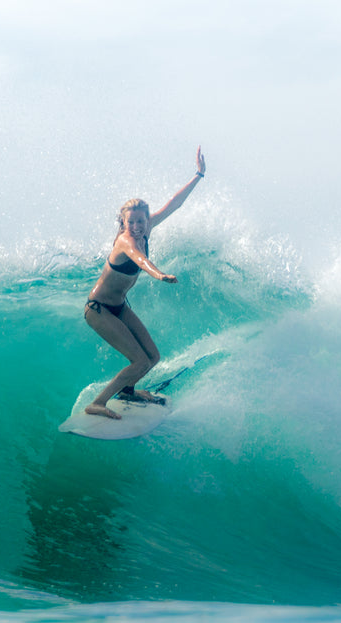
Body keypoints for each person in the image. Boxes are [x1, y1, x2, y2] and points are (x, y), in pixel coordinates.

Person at [82, 147, 206, 419]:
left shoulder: (147, 227)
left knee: (153, 357)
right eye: (132, 222)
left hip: (119, 306)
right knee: (139, 360)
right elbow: (140, 260)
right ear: (123, 222)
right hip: (99, 309)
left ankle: (128, 391)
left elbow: (174, 204)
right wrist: (159, 274)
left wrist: (198, 175)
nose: (137, 226)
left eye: (141, 221)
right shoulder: (125, 241)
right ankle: (98, 403)